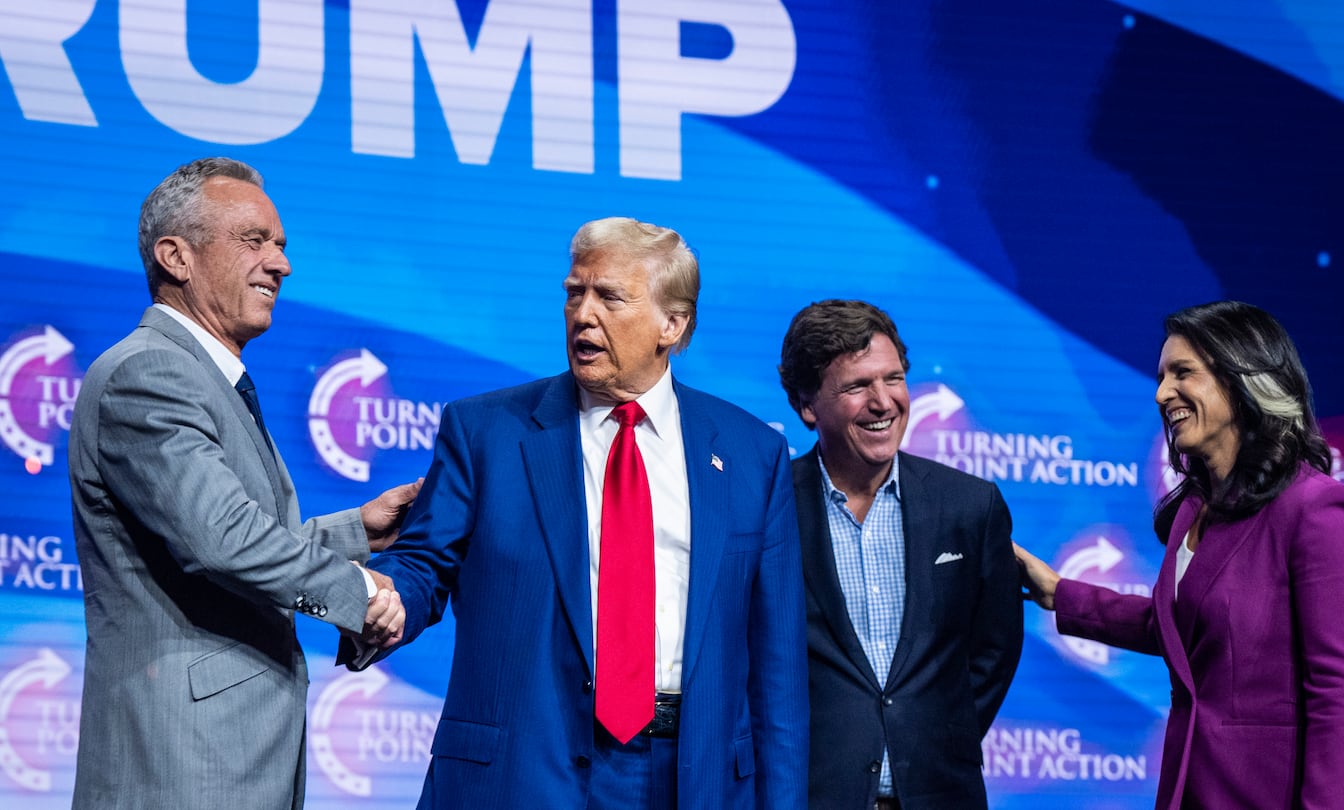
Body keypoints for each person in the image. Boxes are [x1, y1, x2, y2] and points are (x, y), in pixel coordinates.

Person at [359, 217, 808, 808]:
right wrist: (371, 599)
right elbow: (423, 566)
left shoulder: (754, 454)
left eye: (610, 297)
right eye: (575, 293)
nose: (583, 314)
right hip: (524, 770)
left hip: (694, 776)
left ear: (671, 325)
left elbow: (777, 669)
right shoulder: (485, 431)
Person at [68, 157, 418, 810]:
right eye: (254, 241)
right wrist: (361, 593)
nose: (281, 264)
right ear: (176, 256)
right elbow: (222, 540)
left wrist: (356, 534)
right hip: (178, 766)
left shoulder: (203, 377)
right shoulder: (150, 375)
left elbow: (218, 531)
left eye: (281, 246)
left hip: (228, 757)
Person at [1012, 300, 1344, 809]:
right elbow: (1185, 629)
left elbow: (1341, 694)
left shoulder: (1316, 510)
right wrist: (1061, 594)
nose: (1163, 393)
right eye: (1161, 376)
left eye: (1183, 373)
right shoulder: (1195, 507)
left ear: (1242, 379)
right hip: (1194, 788)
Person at [777, 299, 1023, 809]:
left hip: (939, 793)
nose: (883, 402)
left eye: (893, 379)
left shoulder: (971, 506)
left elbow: (994, 650)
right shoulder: (769, 507)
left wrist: (935, 737)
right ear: (807, 405)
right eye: (856, 386)